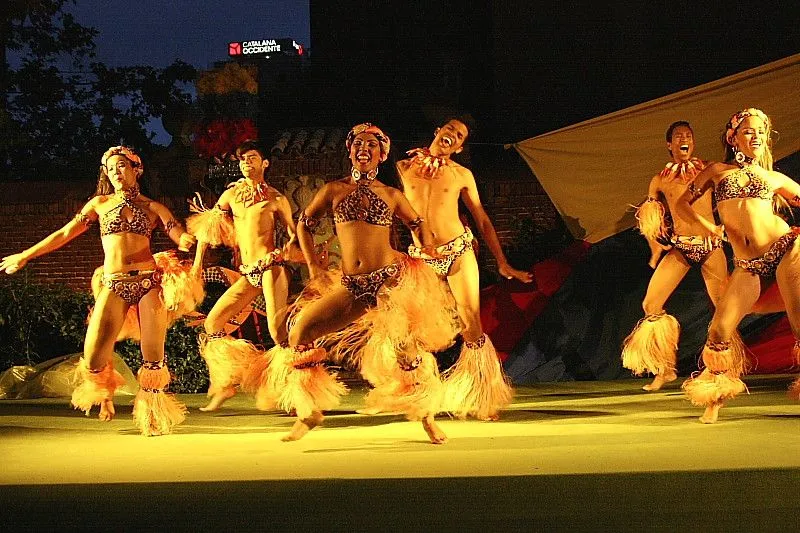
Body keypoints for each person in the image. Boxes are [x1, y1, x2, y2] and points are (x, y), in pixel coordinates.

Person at [254, 123, 459, 443]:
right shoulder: (332, 191)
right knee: (300, 332)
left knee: (407, 351)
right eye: (358, 143)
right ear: (349, 151)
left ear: (382, 154)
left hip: (390, 281)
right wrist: (312, 265)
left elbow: (419, 226)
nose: (364, 148)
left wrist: (426, 249)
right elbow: (304, 224)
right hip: (353, 285)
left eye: (371, 145)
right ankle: (309, 412)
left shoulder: (392, 195)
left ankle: (427, 417)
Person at [0, 146, 198, 436]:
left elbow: (177, 233)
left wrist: (185, 241)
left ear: (135, 169)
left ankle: (153, 415)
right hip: (114, 282)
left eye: (121, 166)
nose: (116, 173)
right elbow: (65, 233)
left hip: (146, 282)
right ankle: (105, 393)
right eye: (110, 168)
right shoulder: (99, 204)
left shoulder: (154, 208)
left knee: (153, 354)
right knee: (93, 357)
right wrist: (26, 255)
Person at [396, 117, 532, 420]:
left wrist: (502, 261)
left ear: (458, 148)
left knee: (471, 319)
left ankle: (481, 396)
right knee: (412, 326)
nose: (452, 136)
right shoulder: (404, 168)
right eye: (450, 130)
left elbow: (482, 219)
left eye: (459, 136)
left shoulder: (461, 175)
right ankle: (417, 394)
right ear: (437, 132)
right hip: (420, 256)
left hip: (458, 250)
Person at [675, 108, 800, 423]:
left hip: (787, 247)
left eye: (760, 131)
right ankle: (714, 400)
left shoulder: (772, 177)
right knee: (719, 330)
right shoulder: (716, 171)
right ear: (733, 137)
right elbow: (682, 204)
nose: (755, 136)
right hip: (748, 264)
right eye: (748, 131)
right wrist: (707, 227)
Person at [187, 139, 297, 411]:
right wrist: (197, 265)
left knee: (276, 331)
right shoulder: (230, 196)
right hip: (248, 273)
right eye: (242, 159)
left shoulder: (276, 198)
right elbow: (207, 231)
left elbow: (295, 236)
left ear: (265, 163)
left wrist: (285, 251)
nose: (246, 163)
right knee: (213, 323)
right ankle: (227, 383)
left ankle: (295, 391)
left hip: (271, 268)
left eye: (252, 158)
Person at [622, 121, 727, 391]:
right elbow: (650, 216)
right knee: (651, 304)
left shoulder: (707, 169)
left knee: (724, 309)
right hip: (681, 247)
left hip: (710, 246)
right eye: (679, 136)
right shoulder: (659, 180)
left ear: (693, 142)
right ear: (669, 145)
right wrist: (655, 247)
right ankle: (665, 369)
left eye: (689, 136)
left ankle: (721, 370)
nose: (685, 139)